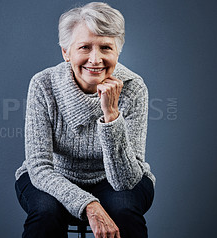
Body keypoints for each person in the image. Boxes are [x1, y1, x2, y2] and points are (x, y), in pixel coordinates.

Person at [15, 2, 155, 238]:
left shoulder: (133, 88)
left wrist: (111, 116)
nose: (95, 58)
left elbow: (127, 180)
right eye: (84, 47)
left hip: (113, 178)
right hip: (54, 174)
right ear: (66, 52)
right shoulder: (43, 84)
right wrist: (89, 204)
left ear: (117, 52)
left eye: (105, 47)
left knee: (124, 210)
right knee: (45, 213)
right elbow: (39, 167)